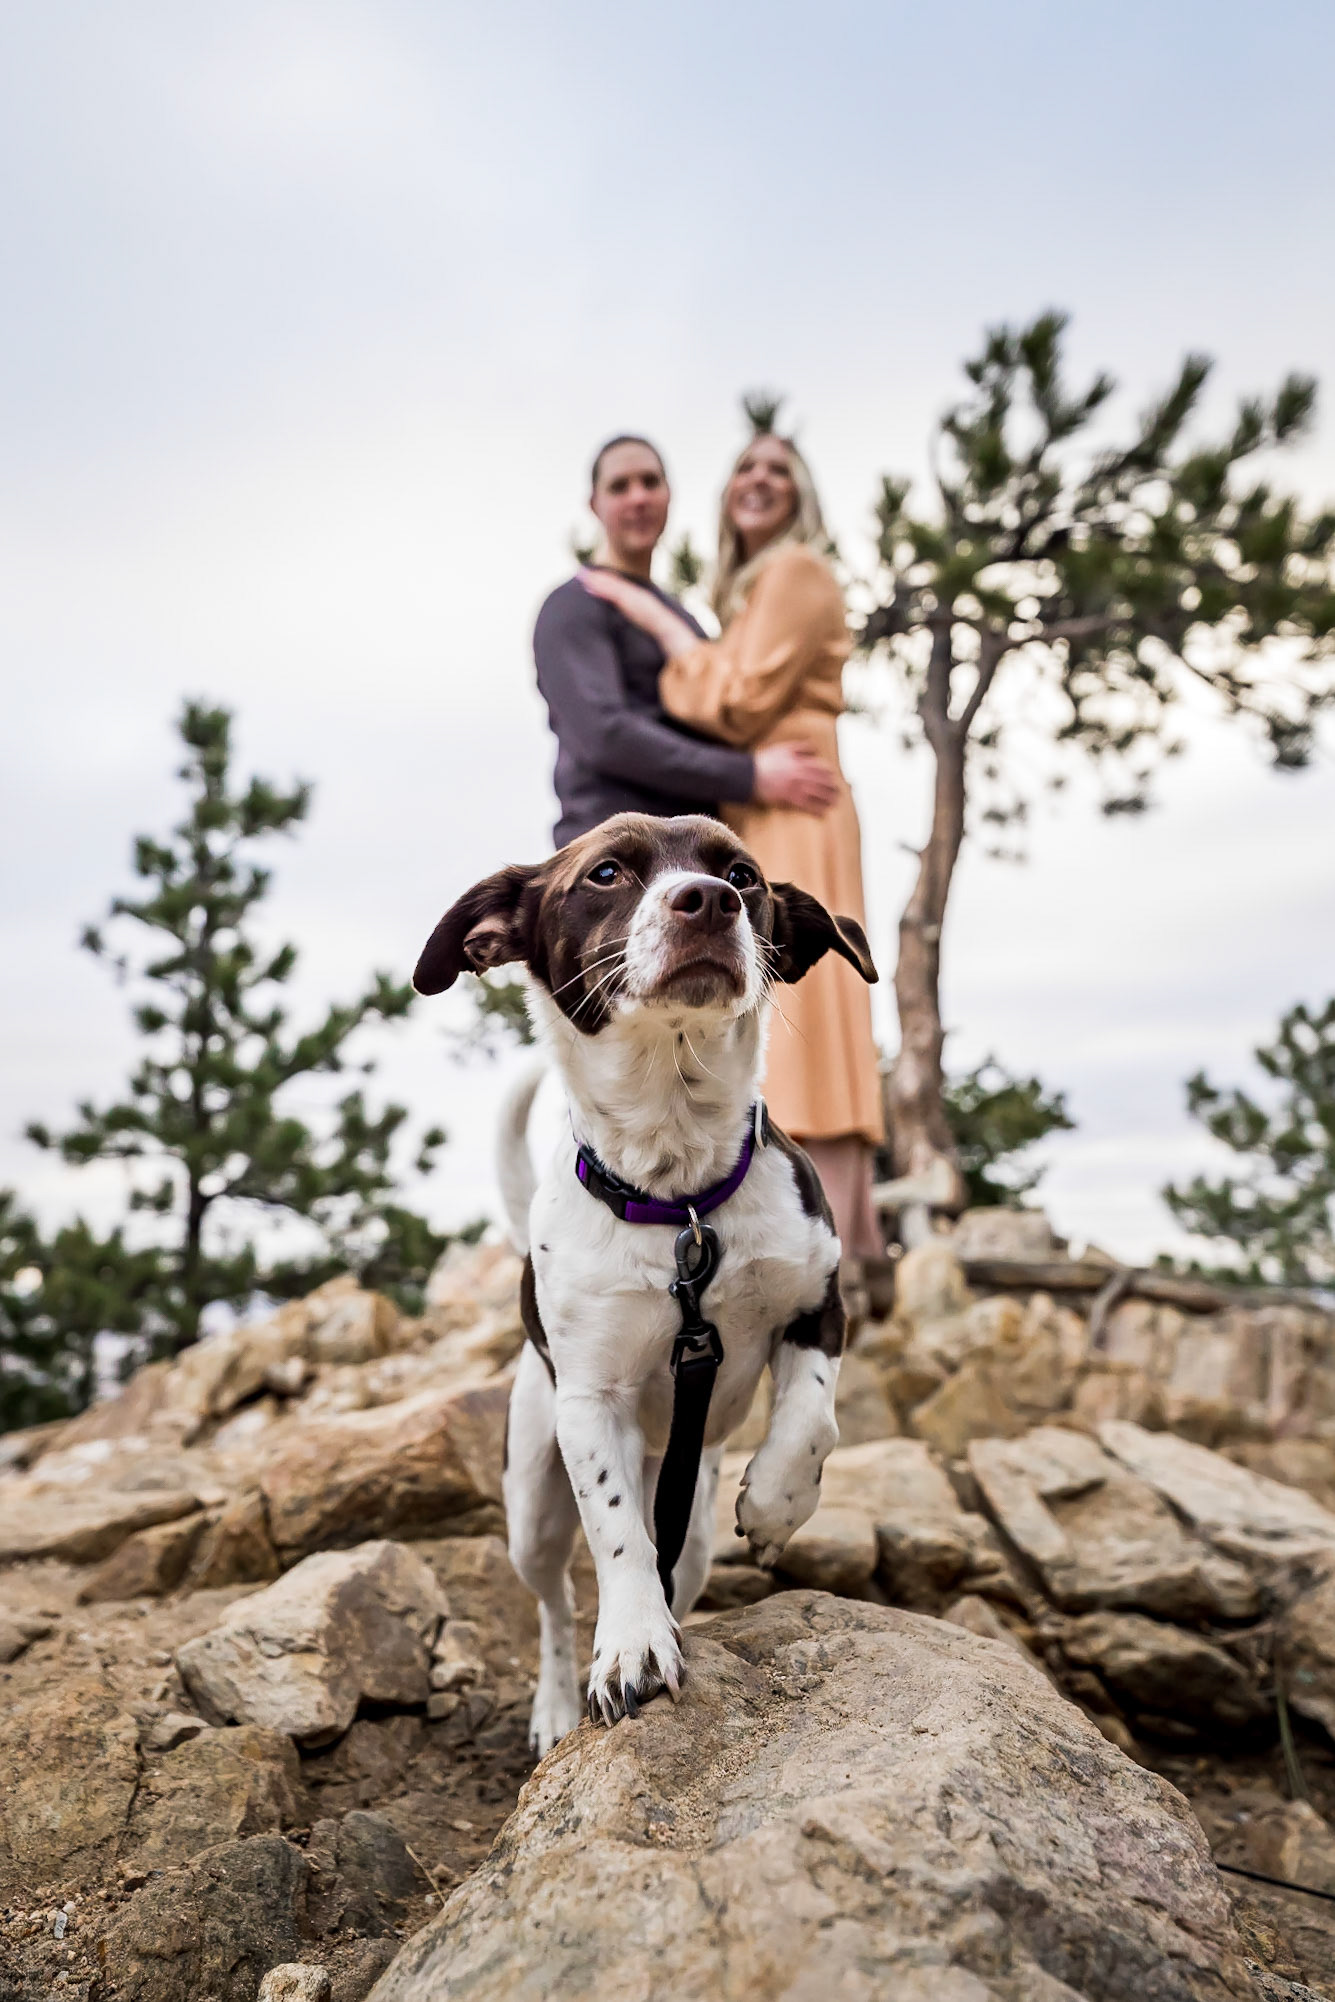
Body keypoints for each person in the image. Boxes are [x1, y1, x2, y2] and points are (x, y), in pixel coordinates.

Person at [580, 431, 884, 1262]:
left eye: (779, 468)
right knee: (797, 1009)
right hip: (768, 801)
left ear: (802, 491)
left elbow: (739, 701)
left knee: (810, 1008)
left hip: (792, 798)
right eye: (745, 466)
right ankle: (850, 1236)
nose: (759, 479)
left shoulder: (795, 570)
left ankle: (831, 1240)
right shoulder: (753, 595)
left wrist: (660, 623)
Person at [533, 435, 838, 847]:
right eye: (619, 487)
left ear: (668, 494)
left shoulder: (685, 623)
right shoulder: (574, 604)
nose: (638, 497)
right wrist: (749, 776)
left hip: (696, 857)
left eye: (650, 482)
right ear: (594, 504)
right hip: (616, 856)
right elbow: (603, 736)